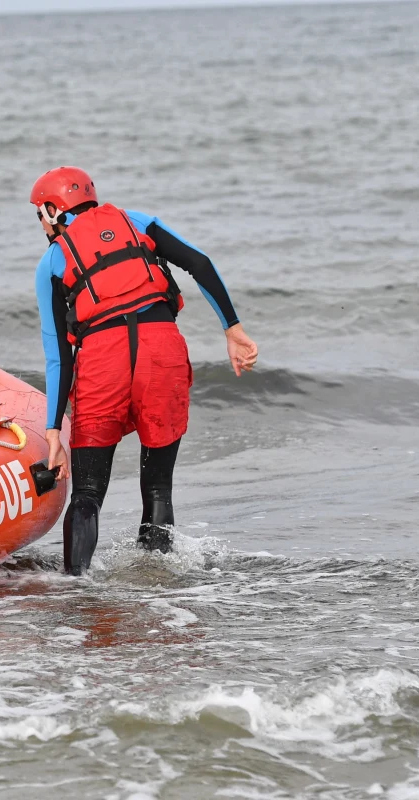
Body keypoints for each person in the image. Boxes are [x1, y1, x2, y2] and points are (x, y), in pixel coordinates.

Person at [30, 166, 258, 575]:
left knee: (87, 493)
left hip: (104, 361)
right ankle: (159, 587)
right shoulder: (136, 221)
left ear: (52, 210)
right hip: (161, 350)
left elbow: (58, 354)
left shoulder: (52, 260)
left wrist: (52, 431)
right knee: (158, 488)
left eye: (39, 215)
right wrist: (233, 328)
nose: (41, 225)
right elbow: (200, 263)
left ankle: (76, 591)